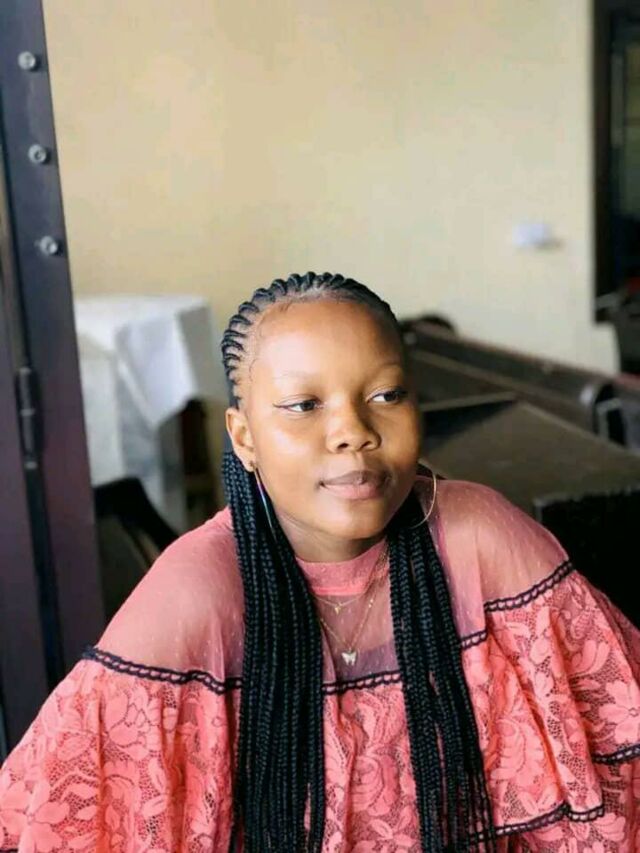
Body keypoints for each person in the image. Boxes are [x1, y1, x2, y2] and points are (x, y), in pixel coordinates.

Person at [1, 272, 639, 852]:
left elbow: (616, 762)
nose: (353, 431)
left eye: (386, 394)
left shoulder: (478, 537)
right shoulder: (198, 590)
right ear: (244, 437)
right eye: (305, 406)